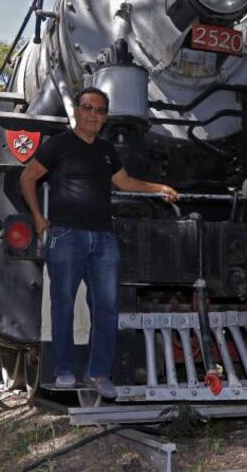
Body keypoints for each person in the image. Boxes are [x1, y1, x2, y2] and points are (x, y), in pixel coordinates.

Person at [19, 86, 178, 399]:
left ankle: (99, 373)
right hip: (66, 235)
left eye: (100, 110)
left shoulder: (107, 151)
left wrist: (158, 187)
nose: (93, 114)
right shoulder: (58, 145)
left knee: (106, 307)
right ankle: (64, 370)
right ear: (77, 110)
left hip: (104, 239)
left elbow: (125, 182)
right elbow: (28, 177)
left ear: (105, 117)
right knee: (63, 304)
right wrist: (38, 218)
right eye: (88, 108)